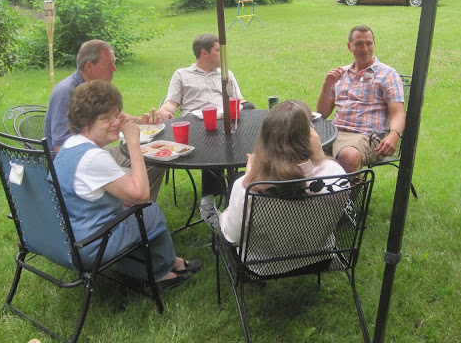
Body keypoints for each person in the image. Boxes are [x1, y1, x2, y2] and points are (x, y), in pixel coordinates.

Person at [53, 79, 200, 289]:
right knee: (149, 211)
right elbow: (142, 195)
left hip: (67, 240)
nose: (115, 123)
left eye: (116, 115)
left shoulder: (71, 145)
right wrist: (133, 143)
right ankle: (161, 272)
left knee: (130, 206)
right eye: (105, 118)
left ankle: (171, 262)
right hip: (91, 247)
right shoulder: (93, 157)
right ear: (85, 122)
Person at [218, 99, 348, 255]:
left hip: (263, 263)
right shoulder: (335, 172)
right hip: (319, 257)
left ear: (265, 140)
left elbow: (232, 236)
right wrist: (320, 158)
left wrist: (248, 179)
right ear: (309, 136)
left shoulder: (249, 188)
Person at [44, 40, 165, 202]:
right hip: (80, 164)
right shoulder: (66, 92)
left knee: (154, 157)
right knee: (140, 170)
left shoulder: (91, 88)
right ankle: (136, 205)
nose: (114, 69)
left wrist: (140, 121)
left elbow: (109, 114)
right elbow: (60, 148)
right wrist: (122, 148)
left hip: (94, 152)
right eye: (109, 64)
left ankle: (140, 206)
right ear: (89, 66)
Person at [156, 34, 254, 199]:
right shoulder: (182, 74)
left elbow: (239, 100)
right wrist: (163, 110)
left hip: (225, 122)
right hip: (196, 127)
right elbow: (171, 103)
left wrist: (247, 106)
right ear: (204, 53)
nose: (223, 55)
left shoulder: (226, 74)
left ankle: (245, 186)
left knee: (252, 133)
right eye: (218, 50)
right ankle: (209, 200)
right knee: (213, 146)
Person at [316, 25, 405, 173]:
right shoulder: (341, 73)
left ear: (374, 44)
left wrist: (394, 135)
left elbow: (398, 114)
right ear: (349, 46)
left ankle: (350, 189)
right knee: (295, 148)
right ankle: (317, 188)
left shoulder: (388, 74)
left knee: (349, 156)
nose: (364, 49)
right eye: (358, 44)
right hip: (334, 132)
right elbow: (322, 113)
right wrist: (327, 85)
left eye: (369, 43)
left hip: (367, 136)